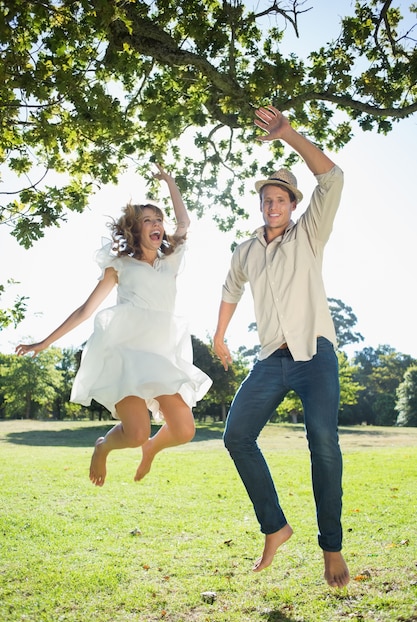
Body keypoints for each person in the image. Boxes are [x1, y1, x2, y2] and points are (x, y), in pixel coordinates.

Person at [213, 105, 350, 588]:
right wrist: (219, 335)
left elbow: (331, 178)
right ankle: (276, 527)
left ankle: (331, 547)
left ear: (293, 204)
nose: (272, 206)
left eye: (280, 199)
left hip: (315, 354)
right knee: (236, 436)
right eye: (266, 199)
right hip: (271, 359)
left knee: (322, 441)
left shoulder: (308, 235)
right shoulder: (246, 250)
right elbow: (230, 290)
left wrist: (287, 133)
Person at [16, 164, 212, 487]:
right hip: (126, 354)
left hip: (161, 357)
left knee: (185, 429)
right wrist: (44, 343)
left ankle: (151, 449)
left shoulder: (170, 263)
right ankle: (103, 446)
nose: (156, 224)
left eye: (159, 219)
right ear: (135, 229)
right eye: (147, 220)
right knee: (135, 432)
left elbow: (185, 221)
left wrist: (170, 181)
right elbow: (84, 310)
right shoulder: (120, 266)